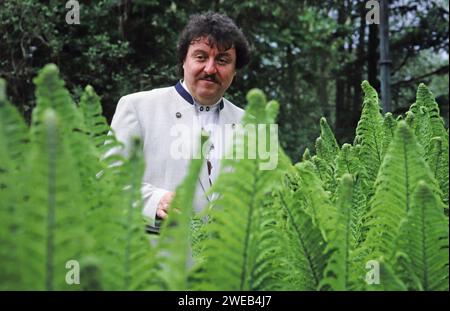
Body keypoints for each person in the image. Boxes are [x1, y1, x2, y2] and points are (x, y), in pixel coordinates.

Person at [108, 12, 251, 230]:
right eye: (201, 57)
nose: (210, 69)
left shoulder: (251, 124)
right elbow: (106, 181)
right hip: (154, 256)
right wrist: (154, 201)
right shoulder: (137, 107)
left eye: (222, 60)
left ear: (234, 70)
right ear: (183, 60)